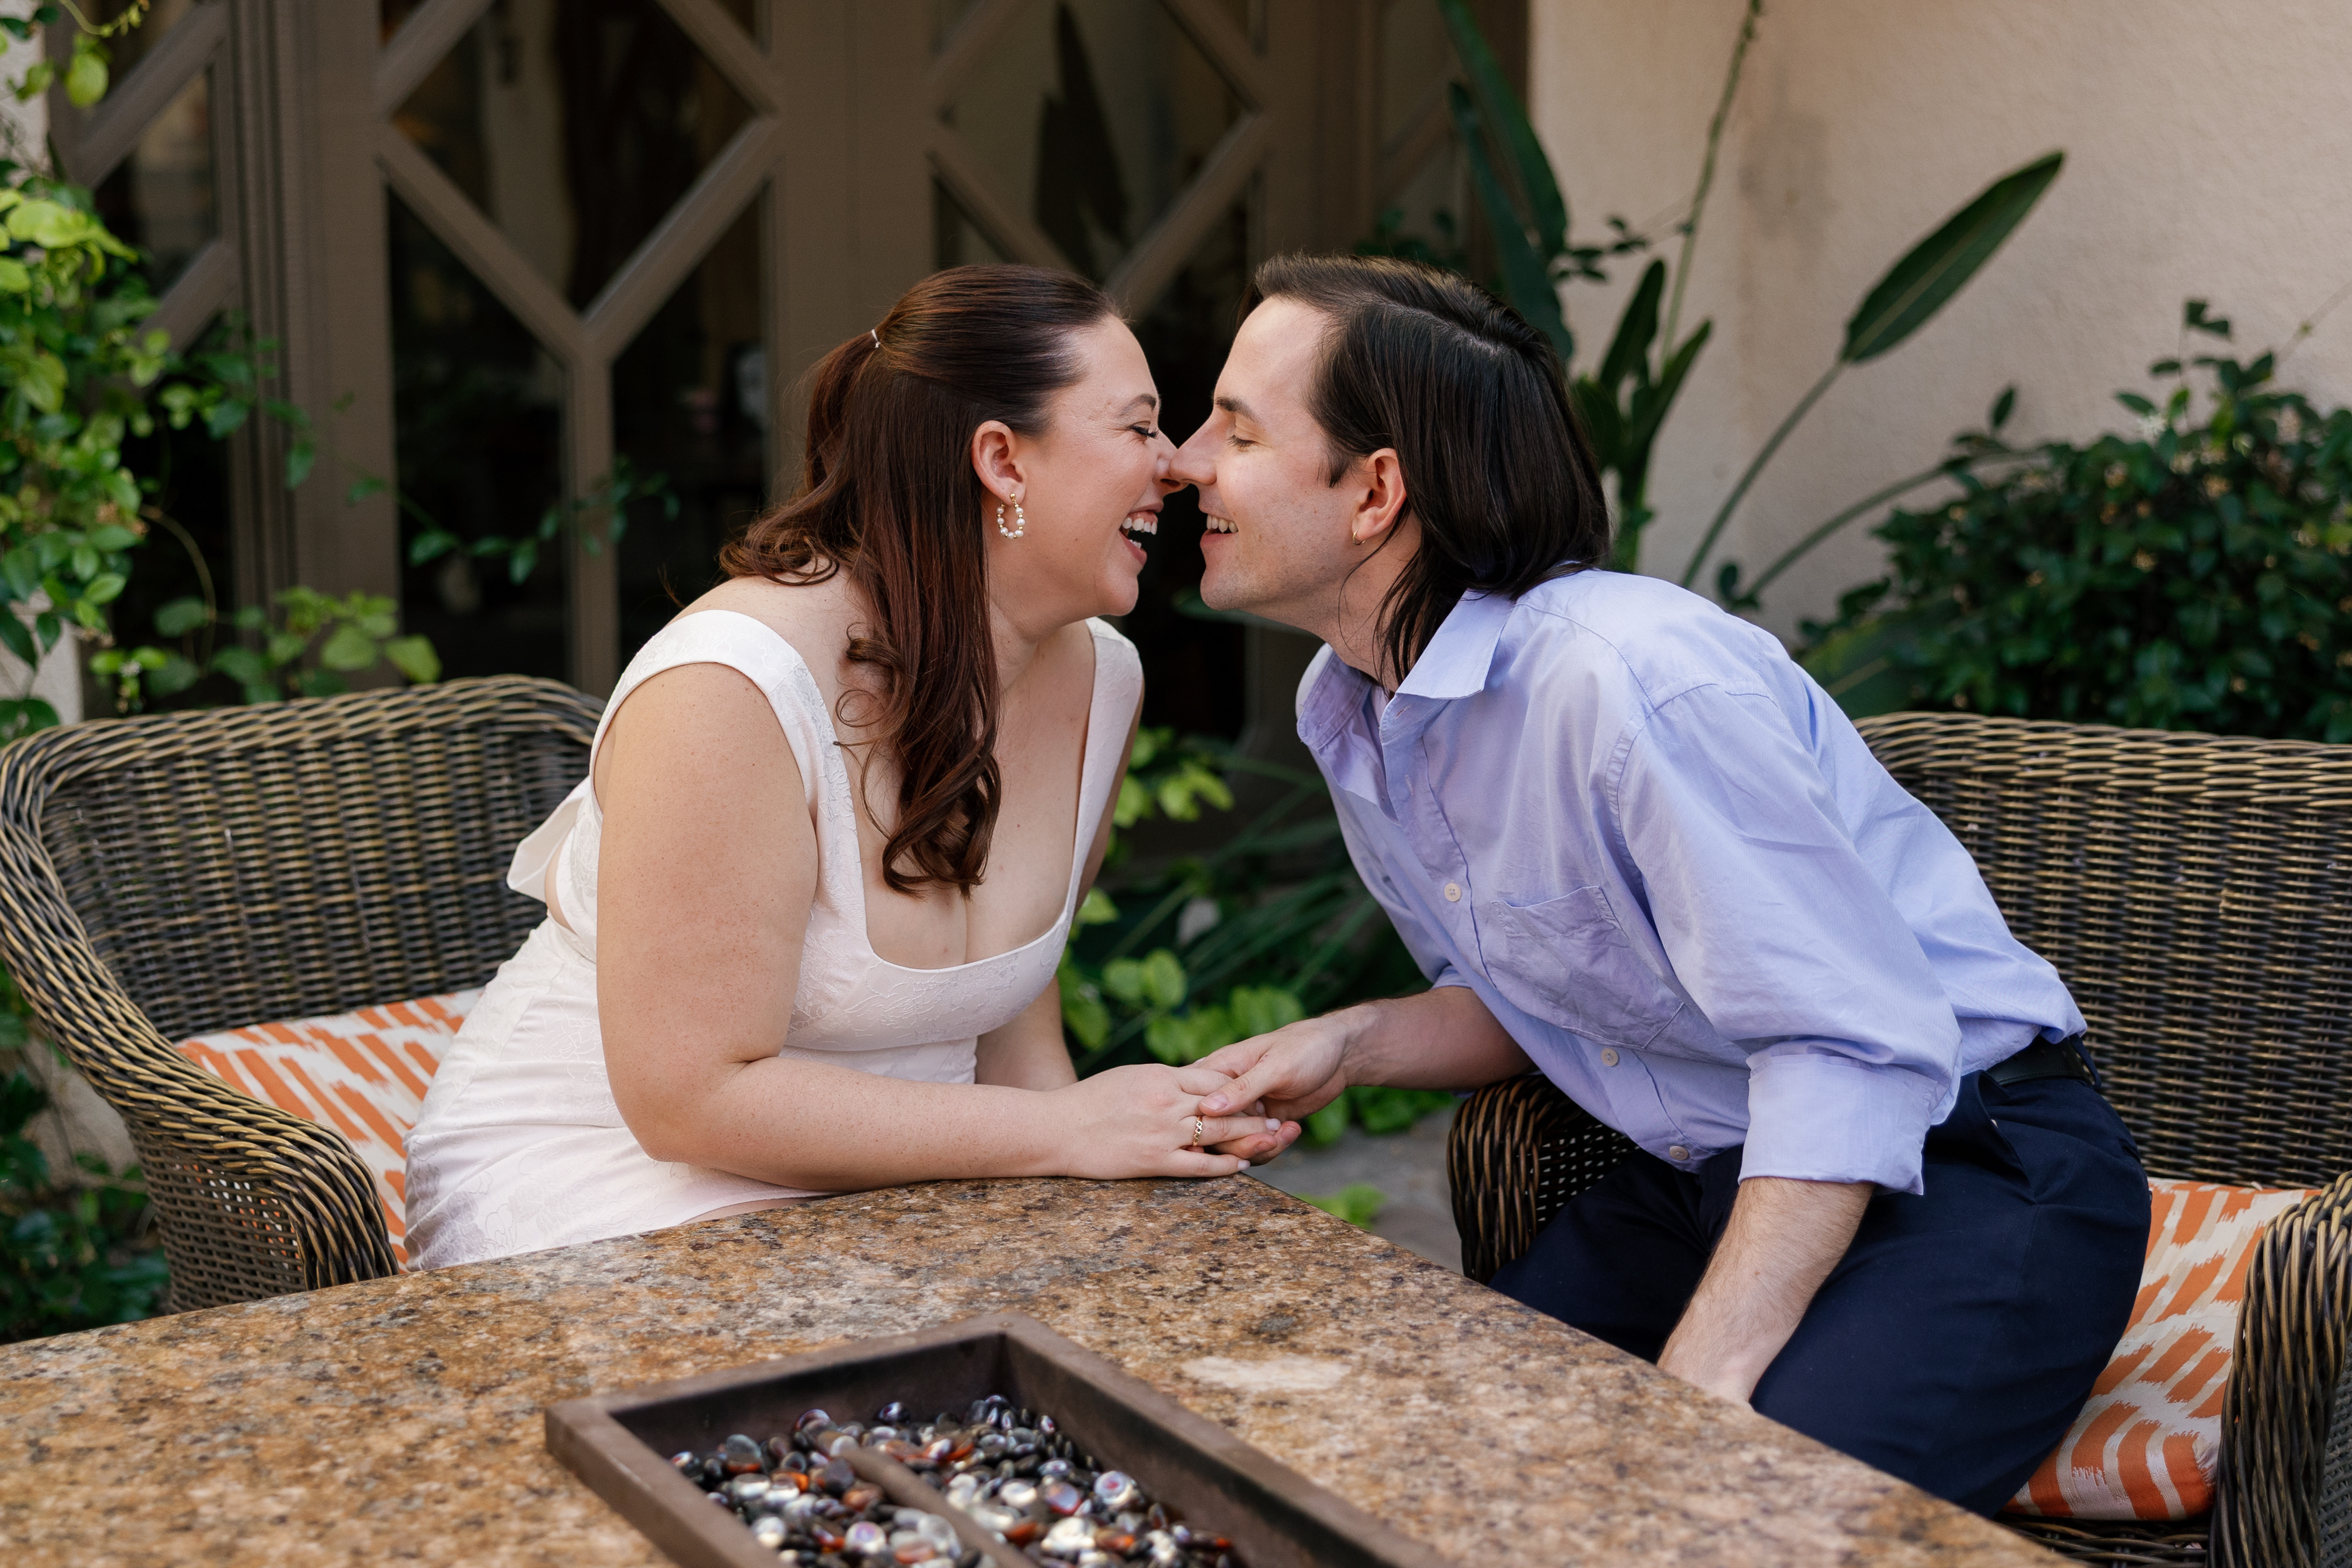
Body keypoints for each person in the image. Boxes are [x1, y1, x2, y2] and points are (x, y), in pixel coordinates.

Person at [1167, 253, 2148, 1514]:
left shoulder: (1628, 683)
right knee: (1415, 1480)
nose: (1186, 461)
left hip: (1973, 1172)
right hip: (1715, 1178)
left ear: (1373, 492)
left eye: (1234, 431)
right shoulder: (1352, 708)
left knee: (1711, 1519)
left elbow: (1847, 1048)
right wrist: (1349, 1046)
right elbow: (1538, 994)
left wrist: (1704, 1373)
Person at [406, 265, 1295, 1270]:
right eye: (1138, 428)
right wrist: (1067, 1133)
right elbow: (687, 1101)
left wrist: (1123, 1159)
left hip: (912, 1190)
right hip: (613, 1175)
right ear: (1002, 460)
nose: (1174, 465)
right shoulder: (733, 686)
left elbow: (1014, 1043)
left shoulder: (1104, 680)